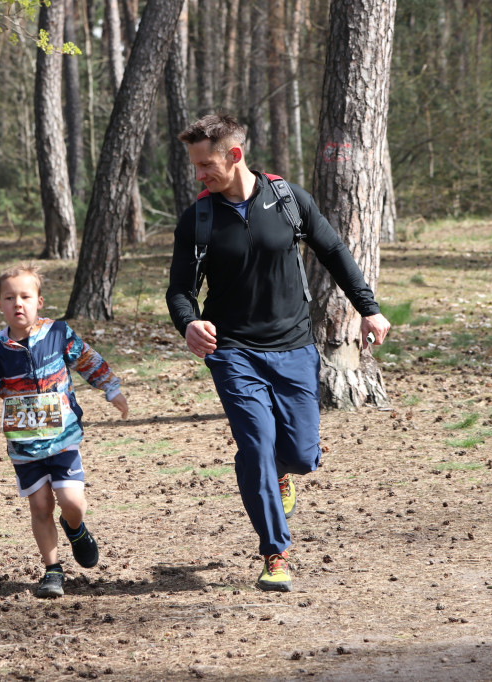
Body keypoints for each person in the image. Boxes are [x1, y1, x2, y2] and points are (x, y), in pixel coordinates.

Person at [165, 114, 391, 593]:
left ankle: (282, 473)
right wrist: (189, 324)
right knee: (255, 447)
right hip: (233, 351)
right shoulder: (199, 217)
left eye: (206, 164)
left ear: (235, 155)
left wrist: (368, 310)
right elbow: (180, 291)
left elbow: (335, 253)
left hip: (293, 347)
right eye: (196, 165)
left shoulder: (288, 200)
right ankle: (275, 552)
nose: (199, 174)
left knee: (301, 455)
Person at [0, 265, 129, 598]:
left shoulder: (58, 333)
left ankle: (76, 528)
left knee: (72, 502)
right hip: (25, 447)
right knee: (40, 506)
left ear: (39, 301)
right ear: (0, 305)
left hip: (63, 438)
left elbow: (86, 360)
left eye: (25, 296)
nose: (18, 304)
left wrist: (110, 388)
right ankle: (52, 570)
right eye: (9, 298)